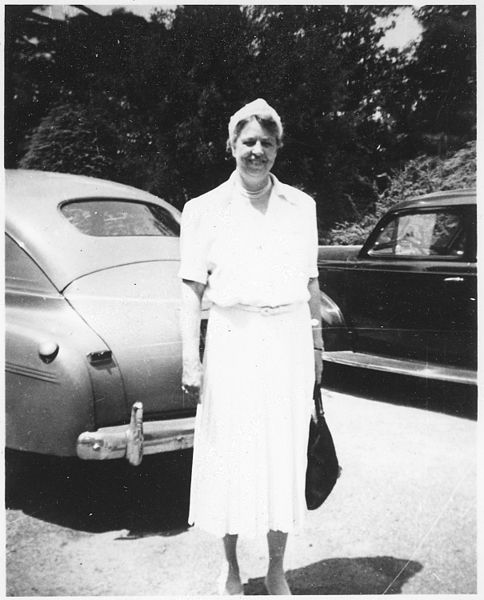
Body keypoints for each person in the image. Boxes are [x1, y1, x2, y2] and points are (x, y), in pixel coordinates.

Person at [178, 98, 323, 595]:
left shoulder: (302, 207)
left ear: (278, 147)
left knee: (283, 457)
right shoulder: (202, 210)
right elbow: (190, 293)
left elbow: (310, 283)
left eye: (266, 142)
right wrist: (189, 361)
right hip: (231, 340)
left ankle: (278, 569)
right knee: (231, 458)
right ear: (231, 146)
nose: (256, 151)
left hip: (288, 344)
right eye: (248, 142)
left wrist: (318, 350)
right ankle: (233, 569)